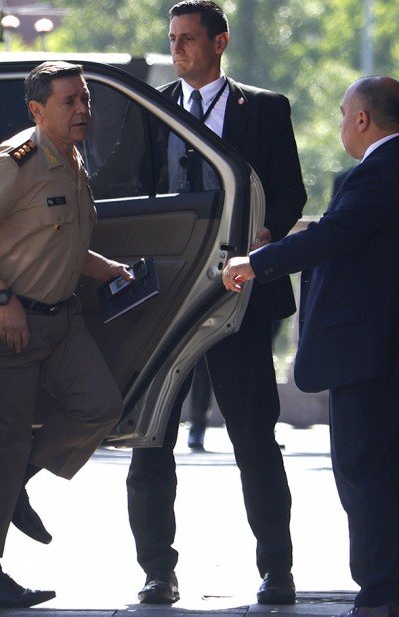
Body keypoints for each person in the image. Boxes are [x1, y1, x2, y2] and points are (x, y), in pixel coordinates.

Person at [126, 0, 306, 606]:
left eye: (188, 38)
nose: (177, 48)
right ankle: (157, 571)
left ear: (219, 43)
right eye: (172, 38)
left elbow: (291, 192)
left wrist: (265, 234)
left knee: (254, 440)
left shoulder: (267, 109)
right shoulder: (154, 111)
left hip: (242, 297)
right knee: (151, 439)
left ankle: (277, 570)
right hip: (167, 304)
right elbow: (138, 192)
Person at [0, 61, 127, 608]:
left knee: (100, 407)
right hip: (8, 324)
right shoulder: (16, 161)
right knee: (4, 444)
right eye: (70, 102)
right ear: (37, 110)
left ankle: (14, 481)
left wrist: (105, 269)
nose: (82, 110)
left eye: (85, 99)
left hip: (61, 320)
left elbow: (56, 240)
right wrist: (4, 300)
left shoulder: (72, 158)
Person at [223, 75, 399, 617]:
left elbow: (334, 235)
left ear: (363, 119)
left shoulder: (378, 173)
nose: (342, 123)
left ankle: (381, 593)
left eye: (345, 113)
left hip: (369, 355)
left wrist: (257, 262)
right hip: (380, 350)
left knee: (365, 474)